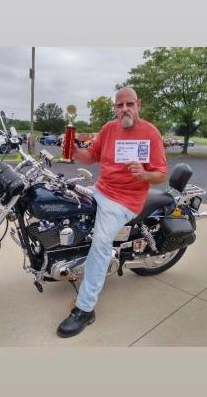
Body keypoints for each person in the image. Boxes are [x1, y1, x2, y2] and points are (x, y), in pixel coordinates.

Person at [56, 87, 168, 338]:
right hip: (101, 189)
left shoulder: (150, 133)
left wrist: (144, 174)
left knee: (100, 244)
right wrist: (74, 150)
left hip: (125, 200)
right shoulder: (108, 129)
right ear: (115, 108)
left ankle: (85, 309)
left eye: (130, 104)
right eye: (120, 105)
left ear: (138, 105)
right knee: (66, 208)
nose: (125, 109)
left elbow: (161, 174)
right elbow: (91, 157)